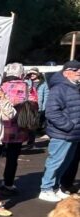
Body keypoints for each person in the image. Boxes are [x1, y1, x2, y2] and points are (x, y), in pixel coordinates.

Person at [39, 60, 80, 202]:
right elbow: (52, 112)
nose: (79, 72)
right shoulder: (59, 89)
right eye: (75, 70)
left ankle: (55, 188)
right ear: (66, 73)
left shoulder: (75, 87)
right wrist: (69, 126)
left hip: (73, 134)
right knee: (55, 162)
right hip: (63, 133)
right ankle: (46, 189)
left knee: (65, 162)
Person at [0, 63, 35, 194]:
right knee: (12, 158)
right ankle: (8, 184)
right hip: (19, 128)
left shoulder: (0, 86)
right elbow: (35, 104)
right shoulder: (27, 87)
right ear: (21, 74)